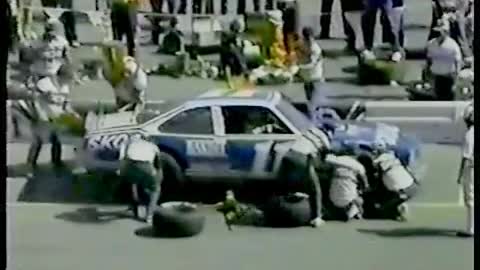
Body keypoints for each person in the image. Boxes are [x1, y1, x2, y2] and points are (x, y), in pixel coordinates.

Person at [369, 143, 419, 221]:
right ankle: (399, 205)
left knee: (382, 209)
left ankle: (398, 209)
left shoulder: (376, 162)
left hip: (399, 192)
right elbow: (408, 169)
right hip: (412, 187)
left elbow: (376, 180)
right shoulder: (393, 157)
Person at [119, 139, 163, 223]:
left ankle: (134, 210)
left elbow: (122, 159)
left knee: (132, 184)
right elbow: (158, 166)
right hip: (145, 166)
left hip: (129, 166)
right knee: (155, 190)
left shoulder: (130, 143)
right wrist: (158, 180)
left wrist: (122, 172)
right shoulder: (153, 146)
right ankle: (149, 216)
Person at [426, 19, 462, 101]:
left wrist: (456, 79)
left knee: (449, 100)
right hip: (436, 77)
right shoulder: (431, 44)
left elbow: (458, 62)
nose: (440, 34)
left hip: (448, 77)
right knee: (436, 100)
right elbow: (429, 61)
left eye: (442, 31)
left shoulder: (453, 45)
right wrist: (428, 76)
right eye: (438, 31)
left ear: (447, 32)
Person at [326, 152, 369, 221]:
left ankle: (333, 211)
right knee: (360, 200)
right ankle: (352, 214)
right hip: (348, 198)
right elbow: (366, 184)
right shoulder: (358, 165)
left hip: (333, 199)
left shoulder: (334, 160)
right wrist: (363, 188)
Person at [456, 101, 474, 237]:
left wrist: (460, 174)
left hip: (472, 168)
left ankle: (471, 228)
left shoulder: (470, 135)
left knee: (470, 199)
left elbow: (466, 157)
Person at [298, 27, 325, 102]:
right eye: (306, 38)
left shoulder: (315, 49)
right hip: (307, 78)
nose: (309, 40)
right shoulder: (303, 45)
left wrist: (299, 67)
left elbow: (312, 64)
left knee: (316, 99)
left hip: (315, 77)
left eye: (309, 38)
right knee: (309, 98)